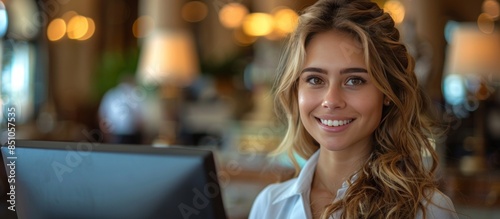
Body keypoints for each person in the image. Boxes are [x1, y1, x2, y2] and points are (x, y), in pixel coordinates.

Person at [249, 0, 459, 218]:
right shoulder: (269, 205)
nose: (331, 101)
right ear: (295, 89)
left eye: (354, 81)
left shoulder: (428, 209)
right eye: (314, 79)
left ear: (387, 92)